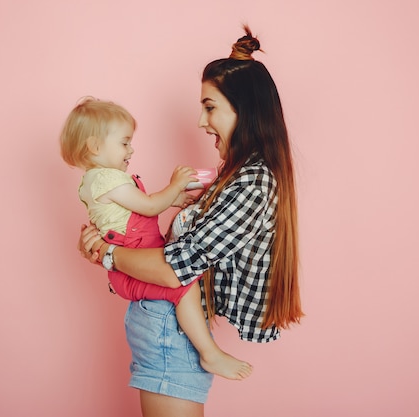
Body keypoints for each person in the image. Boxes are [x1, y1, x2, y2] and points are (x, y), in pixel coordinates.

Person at [79, 25, 303, 417]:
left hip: (169, 326)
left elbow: (172, 269)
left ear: (244, 110)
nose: (201, 121)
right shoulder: (237, 177)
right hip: (166, 326)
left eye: (210, 107)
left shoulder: (252, 182)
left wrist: (107, 253)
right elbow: (174, 257)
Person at [59, 96, 253, 382]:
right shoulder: (107, 179)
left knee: (184, 283)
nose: (131, 149)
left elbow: (138, 210)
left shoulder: (95, 180)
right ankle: (209, 352)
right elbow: (149, 206)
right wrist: (173, 186)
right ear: (95, 146)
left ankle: (209, 351)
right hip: (132, 252)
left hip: (133, 250)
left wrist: (174, 199)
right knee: (184, 287)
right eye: (124, 142)